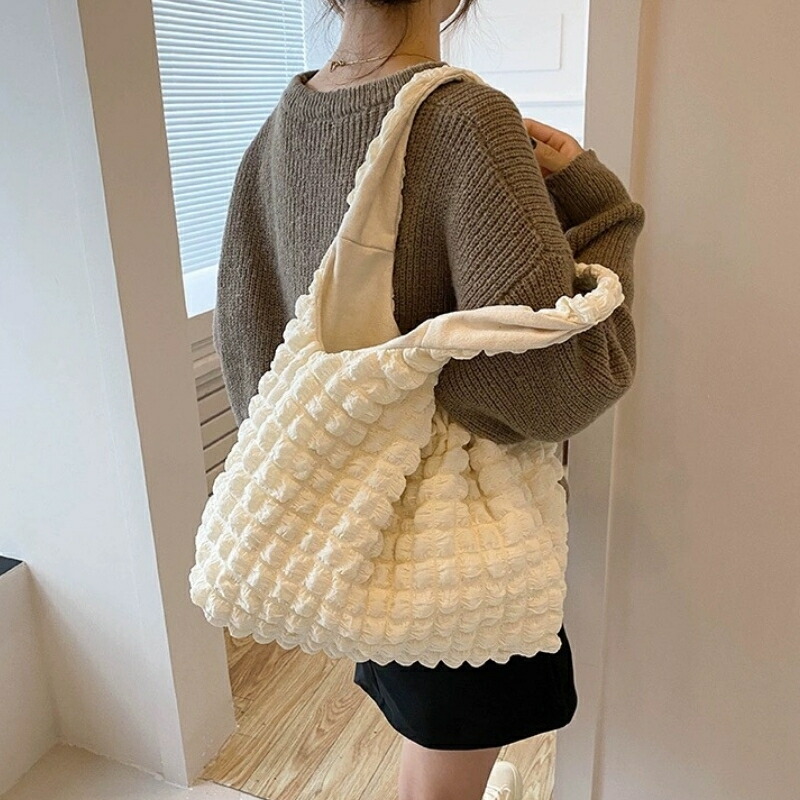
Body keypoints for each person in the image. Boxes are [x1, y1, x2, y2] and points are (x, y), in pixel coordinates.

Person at [212, 1, 646, 798]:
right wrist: (604, 210)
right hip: (447, 538)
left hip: (357, 526)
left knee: (432, 734)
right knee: (448, 752)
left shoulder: (280, 129)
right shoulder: (465, 122)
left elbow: (251, 351)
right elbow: (551, 386)